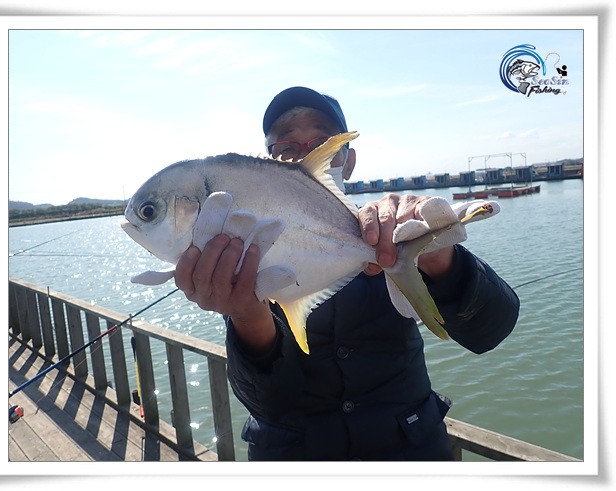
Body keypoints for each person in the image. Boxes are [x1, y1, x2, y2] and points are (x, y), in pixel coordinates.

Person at [175, 86, 520, 461]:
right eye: (286, 149)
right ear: (267, 165)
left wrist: (440, 260)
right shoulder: (245, 247)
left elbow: (490, 331)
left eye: (322, 144)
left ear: (348, 161)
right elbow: (269, 403)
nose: (302, 157)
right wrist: (247, 316)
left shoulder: (392, 230)